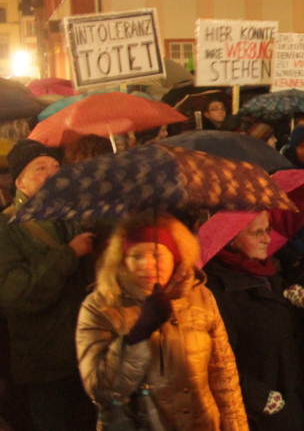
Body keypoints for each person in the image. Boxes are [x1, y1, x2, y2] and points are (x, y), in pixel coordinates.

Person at [76, 213, 248, 430]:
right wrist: (138, 334)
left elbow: (224, 375)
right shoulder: (100, 306)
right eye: (136, 256)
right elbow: (102, 391)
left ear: (175, 256)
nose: (146, 264)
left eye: (157, 255)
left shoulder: (199, 296)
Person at [0, 139, 97, 430]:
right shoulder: (7, 230)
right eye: (40, 168)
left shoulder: (74, 217)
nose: (52, 173)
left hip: (88, 353)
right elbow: (14, 293)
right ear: (21, 182)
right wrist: (69, 254)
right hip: (47, 364)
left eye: (56, 166)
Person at [204, 212, 304, 430]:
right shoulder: (217, 290)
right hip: (262, 413)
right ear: (231, 238)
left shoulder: (265, 272)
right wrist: (257, 398)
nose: (267, 239)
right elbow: (217, 361)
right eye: (257, 232)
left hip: (291, 393)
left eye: (268, 229)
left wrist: (302, 306)